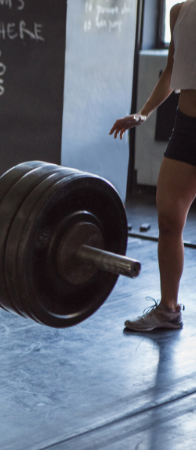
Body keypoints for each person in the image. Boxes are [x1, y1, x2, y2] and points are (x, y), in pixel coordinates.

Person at [110, 1, 196, 331]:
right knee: (169, 217)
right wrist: (144, 113)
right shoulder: (178, 13)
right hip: (187, 126)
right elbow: (173, 69)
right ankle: (169, 309)